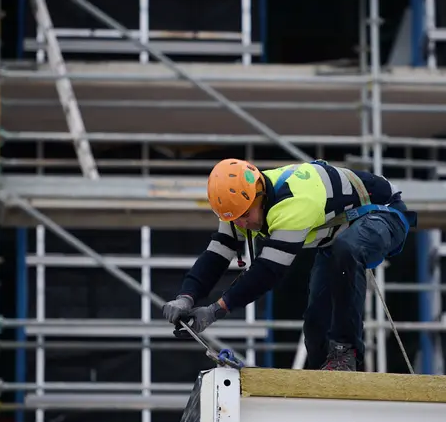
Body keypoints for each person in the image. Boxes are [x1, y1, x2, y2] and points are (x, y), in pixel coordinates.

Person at [162, 158, 416, 371]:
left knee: (347, 249)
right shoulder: (238, 206)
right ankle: (322, 373)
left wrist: (215, 311)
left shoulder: (294, 202)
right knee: (316, 325)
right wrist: (186, 297)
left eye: (246, 217)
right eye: (235, 220)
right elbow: (215, 256)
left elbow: (268, 271)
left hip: (383, 214)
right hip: (337, 234)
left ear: (260, 195)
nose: (242, 225)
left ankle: (345, 350)